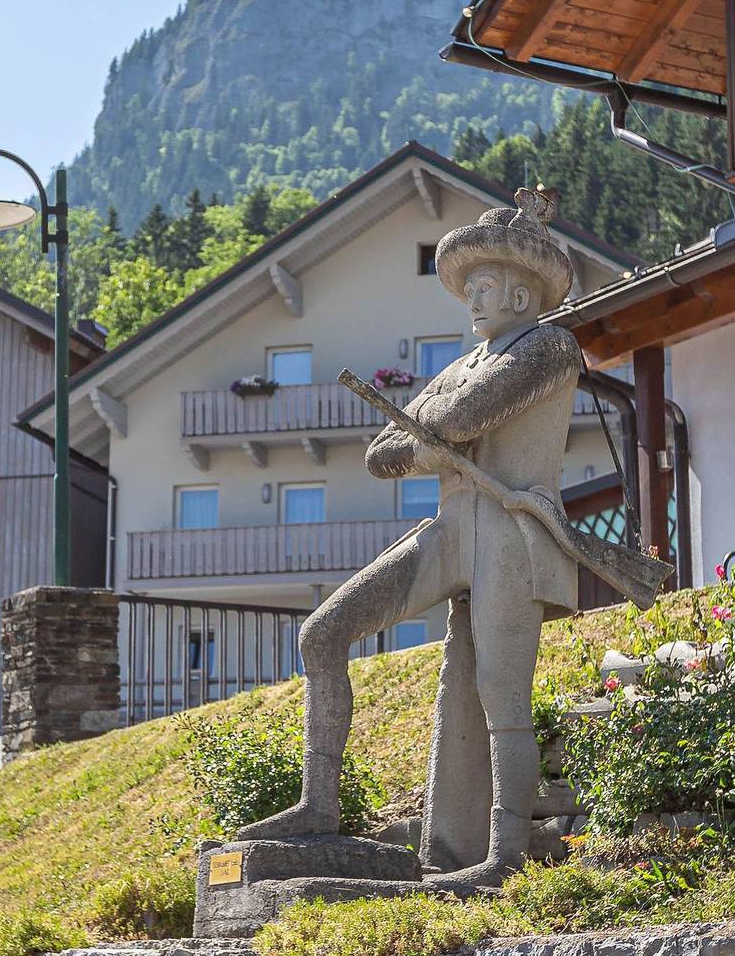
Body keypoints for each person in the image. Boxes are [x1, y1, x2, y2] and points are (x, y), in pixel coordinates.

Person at [236, 189, 581, 889]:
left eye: (485, 288)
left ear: (521, 289)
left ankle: (505, 854)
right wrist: (429, 436)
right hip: (455, 525)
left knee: (498, 689)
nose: (475, 301)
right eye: (472, 289)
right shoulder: (461, 363)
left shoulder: (550, 346)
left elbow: (458, 419)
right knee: (323, 634)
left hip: (514, 532)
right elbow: (382, 450)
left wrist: (428, 433)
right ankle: (317, 802)